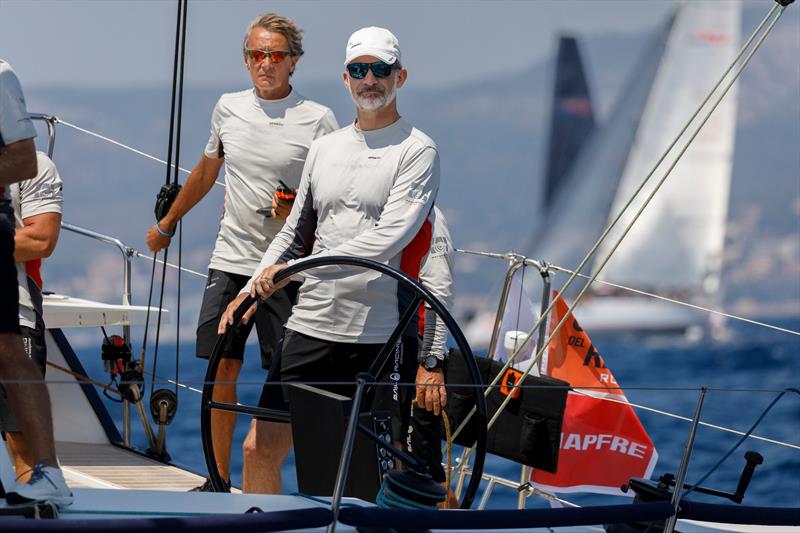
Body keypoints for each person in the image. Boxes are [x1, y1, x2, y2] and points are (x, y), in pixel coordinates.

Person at [221, 26, 440, 493]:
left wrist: (298, 271)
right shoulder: (325, 148)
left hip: (377, 334)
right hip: (311, 325)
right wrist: (249, 288)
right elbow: (295, 232)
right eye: (359, 70)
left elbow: (389, 239)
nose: (370, 80)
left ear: (400, 76)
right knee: (258, 448)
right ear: (345, 79)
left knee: (382, 471)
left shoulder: (417, 150)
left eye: (380, 70)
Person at [144, 13, 338, 492]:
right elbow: (208, 171)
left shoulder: (318, 119)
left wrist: (295, 202)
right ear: (246, 60)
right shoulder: (228, 108)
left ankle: (302, 477)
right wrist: (167, 224)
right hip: (230, 258)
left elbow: (333, 192)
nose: (264, 64)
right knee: (220, 364)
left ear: (293, 62)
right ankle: (218, 478)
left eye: (275, 55)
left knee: (288, 371)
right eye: (255, 55)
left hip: (285, 268)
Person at [0, 59, 72, 506]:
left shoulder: (0, 75)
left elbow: (42, 239)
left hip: (21, 306)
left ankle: (46, 483)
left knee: (20, 446)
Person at [0, 151, 63, 482]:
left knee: (26, 450)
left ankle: (41, 510)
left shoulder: (34, 164)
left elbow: (42, 239)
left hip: (15, 317)